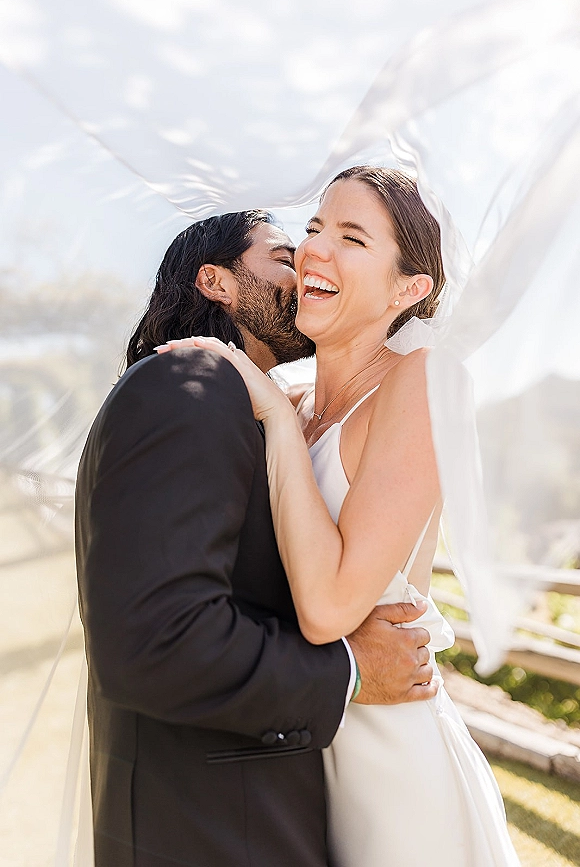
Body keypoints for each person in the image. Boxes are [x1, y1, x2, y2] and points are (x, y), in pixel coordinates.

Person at [166, 169, 521, 865]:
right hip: (296, 765)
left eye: (352, 237)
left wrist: (264, 404)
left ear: (408, 289)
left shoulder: (421, 382)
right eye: (315, 229)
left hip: (393, 775)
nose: (313, 253)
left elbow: (327, 608)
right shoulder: (293, 409)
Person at [75, 208, 439, 867]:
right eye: (280, 256)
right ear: (215, 281)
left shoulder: (256, 409)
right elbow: (157, 642)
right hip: (211, 830)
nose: (302, 266)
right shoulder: (190, 384)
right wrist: (353, 671)